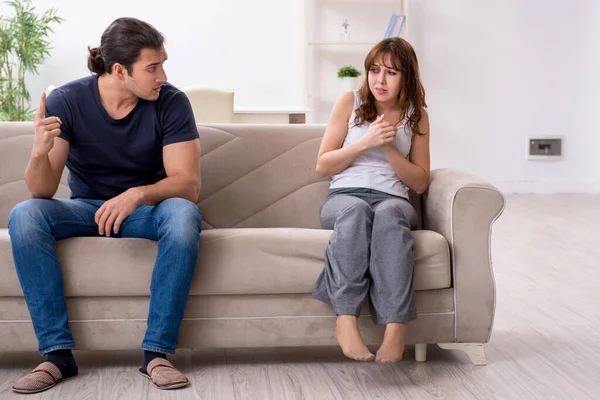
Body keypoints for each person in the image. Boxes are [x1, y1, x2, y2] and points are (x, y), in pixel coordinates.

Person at [9, 17, 202, 393]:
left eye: (162, 64)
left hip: (145, 211)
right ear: (119, 70)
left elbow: (187, 184)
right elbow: (42, 191)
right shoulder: (67, 100)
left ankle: (157, 354)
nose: (162, 75)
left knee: (183, 214)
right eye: (152, 67)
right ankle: (57, 356)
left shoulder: (172, 102)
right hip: (87, 209)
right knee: (26, 215)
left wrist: (136, 194)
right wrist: (38, 152)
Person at [312, 37, 430, 363]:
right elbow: (323, 164)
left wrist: (388, 146)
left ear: (406, 77)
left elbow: (420, 182)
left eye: (391, 73)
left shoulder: (415, 116)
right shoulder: (349, 102)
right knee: (355, 210)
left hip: (393, 197)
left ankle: (395, 329)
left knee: (391, 214)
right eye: (374, 70)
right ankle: (345, 319)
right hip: (344, 196)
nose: (379, 80)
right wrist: (366, 142)